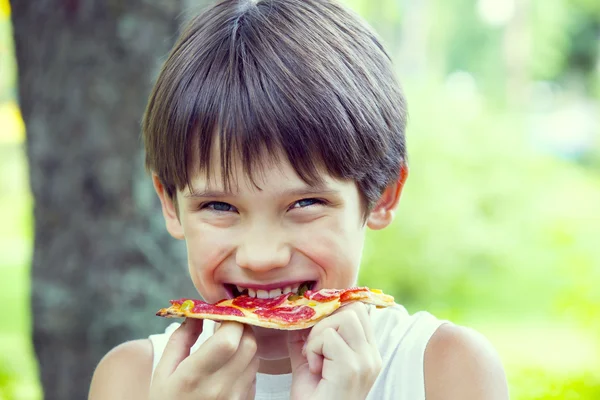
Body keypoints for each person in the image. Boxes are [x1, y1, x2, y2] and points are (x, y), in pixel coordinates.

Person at [89, 0, 509, 399]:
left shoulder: (444, 370)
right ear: (170, 203)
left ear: (382, 195)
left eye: (304, 204)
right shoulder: (130, 380)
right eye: (219, 206)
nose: (261, 257)